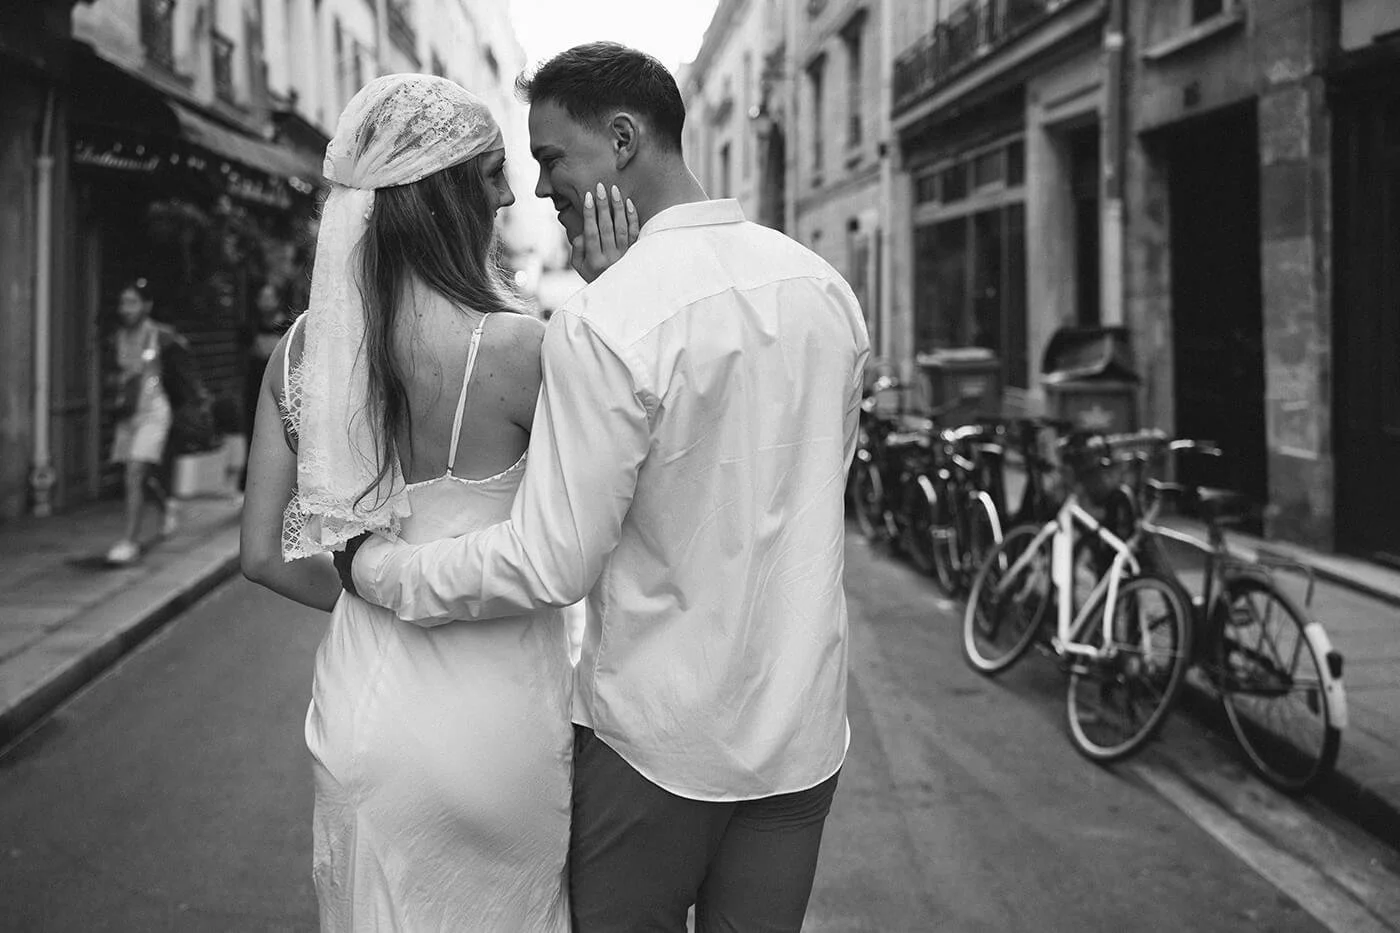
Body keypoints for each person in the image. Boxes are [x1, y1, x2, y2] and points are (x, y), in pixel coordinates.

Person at [341, 43, 871, 932]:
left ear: (622, 139)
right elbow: (800, 493)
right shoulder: (824, 288)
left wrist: (379, 570)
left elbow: (549, 563)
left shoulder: (606, 315)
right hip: (800, 736)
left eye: (551, 157)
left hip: (655, 744)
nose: (538, 188)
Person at [239, 75, 626, 930]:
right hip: (497, 724)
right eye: (492, 171)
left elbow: (262, 554)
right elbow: (587, 533)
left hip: (360, 716)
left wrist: (370, 588)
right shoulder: (528, 349)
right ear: (446, 191)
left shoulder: (300, 352)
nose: (512, 192)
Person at [106, 278, 182, 565]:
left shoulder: (160, 335)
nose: (125, 309)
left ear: (147, 305)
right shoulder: (118, 336)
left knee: (135, 472)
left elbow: (177, 369)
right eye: (123, 302)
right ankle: (167, 507)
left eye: (132, 302)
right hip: (128, 414)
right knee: (140, 475)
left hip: (154, 412)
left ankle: (129, 541)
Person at [242, 281, 292, 489]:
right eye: (261, 297)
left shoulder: (288, 326)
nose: (265, 302)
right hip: (254, 386)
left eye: (269, 297)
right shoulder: (250, 326)